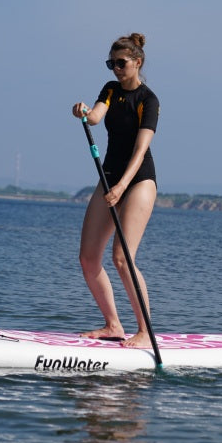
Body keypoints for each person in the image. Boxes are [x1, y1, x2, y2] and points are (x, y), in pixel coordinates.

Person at [71, 33, 160, 349]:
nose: (115, 69)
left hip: (137, 181)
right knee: (88, 258)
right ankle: (113, 325)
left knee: (122, 257)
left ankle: (146, 332)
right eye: (111, 64)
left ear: (137, 62)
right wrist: (83, 111)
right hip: (108, 178)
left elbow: (140, 149)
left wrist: (123, 186)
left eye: (121, 63)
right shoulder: (109, 90)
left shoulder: (148, 101)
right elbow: (95, 117)